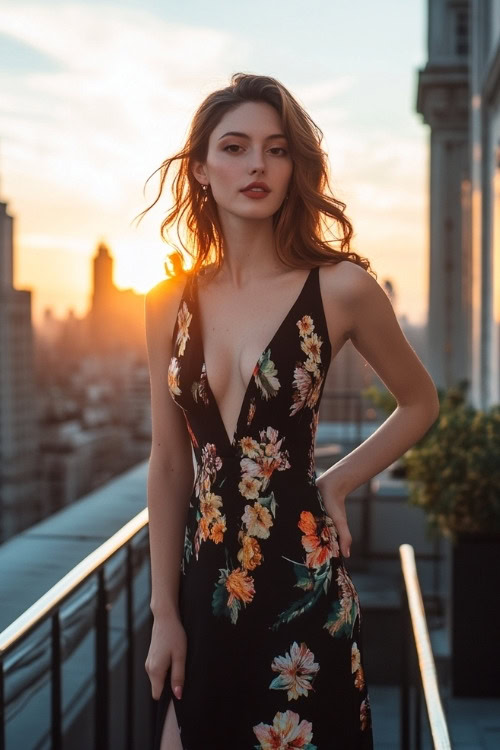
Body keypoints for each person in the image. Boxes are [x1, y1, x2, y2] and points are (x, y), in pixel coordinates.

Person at [139, 73, 440, 749]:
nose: (257, 166)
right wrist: (164, 611)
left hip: (305, 599)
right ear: (202, 169)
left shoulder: (341, 288)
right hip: (202, 593)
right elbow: (166, 462)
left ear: (295, 166)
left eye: (276, 150)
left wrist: (337, 480)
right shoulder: (166, 301)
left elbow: (420, 403)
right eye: (236, 147)